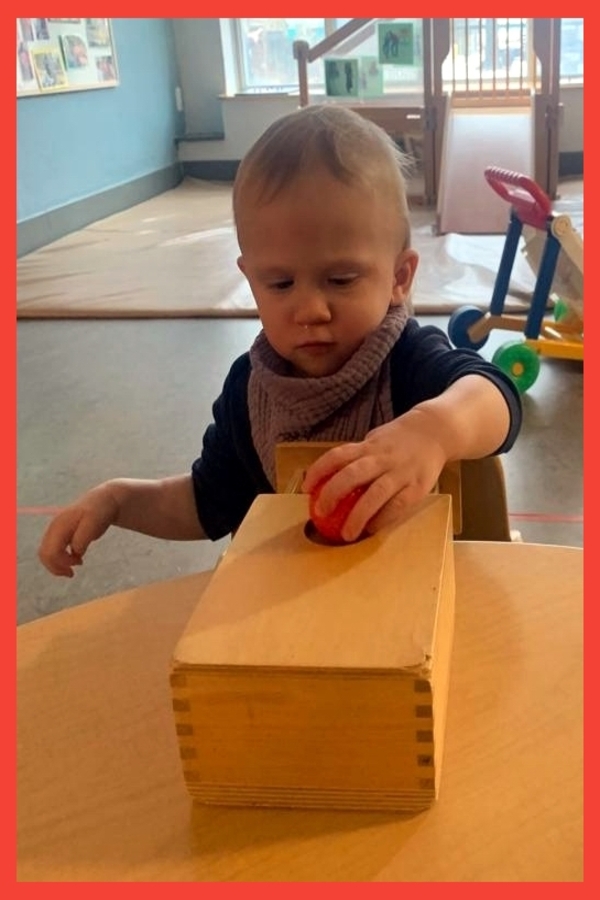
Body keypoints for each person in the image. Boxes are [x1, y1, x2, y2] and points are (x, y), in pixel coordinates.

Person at [38, 105, 522, 577]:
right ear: (250, 280)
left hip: (424, 596)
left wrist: (432, 430)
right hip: (306, 614)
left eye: (341, 279)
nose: (311, 310)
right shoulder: (251, 391)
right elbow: (207, 504)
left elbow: (496, 396)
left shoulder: (407, 359)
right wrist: (120, 499)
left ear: (399, 277)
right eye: (281, 284)